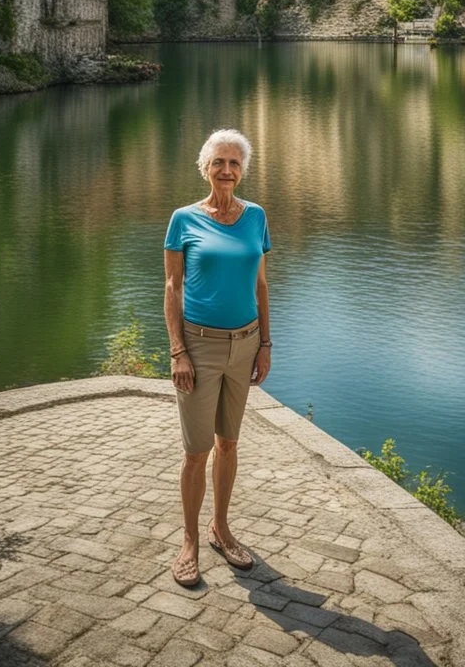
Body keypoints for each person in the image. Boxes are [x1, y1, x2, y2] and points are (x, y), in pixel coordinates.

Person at [163, 128, 272, 588]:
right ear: (205, 168)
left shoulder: (256, 217)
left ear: (242, 169)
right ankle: (189, 541)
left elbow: (261, 284)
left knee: (229, 443)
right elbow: (172, 288)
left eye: (234, 163)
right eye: (219, 163)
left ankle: (220, 529)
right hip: (199, 346)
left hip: (245, 343)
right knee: (196, 451)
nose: (226, 171)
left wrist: (265, 343)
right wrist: (178, 352)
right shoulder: (183, 219)